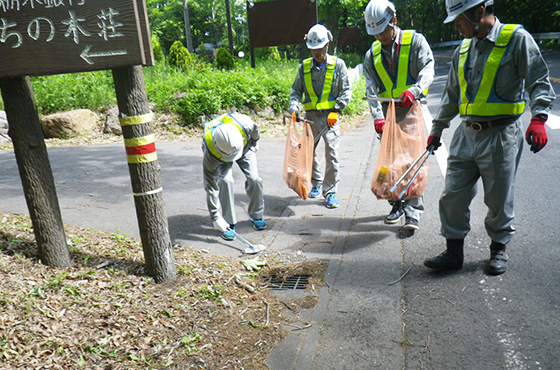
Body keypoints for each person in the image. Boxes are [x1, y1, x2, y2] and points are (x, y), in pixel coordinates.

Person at [424, 0, 555, 275]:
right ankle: (453, 252)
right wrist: (437, 129)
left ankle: (498, 250)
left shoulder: (516, 40)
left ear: (479, 12)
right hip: (465, 134)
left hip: (500, 135)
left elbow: (538, 80)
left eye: (459, 20)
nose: (457, 26)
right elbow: (450, 94)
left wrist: (539, 118)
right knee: (452, 195)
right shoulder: (463, 48)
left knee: (498, 199)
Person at [363, 0, 435, 232]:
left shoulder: (415, 42)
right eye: (375, 33)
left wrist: (414, 91)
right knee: (391, 163)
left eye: (383, 31)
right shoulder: (371, 55)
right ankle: (396, 204)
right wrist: (377, 117)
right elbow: (370, 89)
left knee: (411, 162)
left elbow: (428, 68)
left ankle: (413, 212)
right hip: (387, 115)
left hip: (411, 110)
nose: (380, 37)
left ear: (394, 21)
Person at [289, 24, 352, 209]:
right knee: (309, 153)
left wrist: (337, 110)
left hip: (330, 117)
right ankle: (316, 182)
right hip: (310, 117)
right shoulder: (304, 67)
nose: (316, 53)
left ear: (327, 46)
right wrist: (294, 107)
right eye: (313, 49)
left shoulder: (338, 65)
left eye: (319, 48)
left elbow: (346, 90)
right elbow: (295, 91)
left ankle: (330, 190)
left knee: (332, 153)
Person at [202, 112, 266, 241]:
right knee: (225, 180)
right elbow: (211, 186)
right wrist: (215, 217)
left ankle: (257, 214)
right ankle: (228, 222)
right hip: (220, 156)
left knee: (254, 179)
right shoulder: (210, 152)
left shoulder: (245, 124)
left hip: (245, 147)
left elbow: (255, 131)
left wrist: (254, 143)